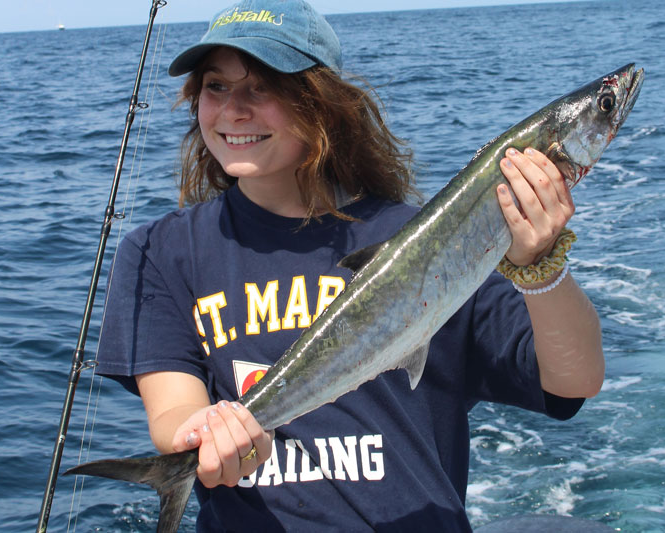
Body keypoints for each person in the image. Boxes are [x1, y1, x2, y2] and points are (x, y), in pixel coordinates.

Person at [96, 0, 605, 530]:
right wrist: (206, 435)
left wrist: (541, 268)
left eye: (262, 86)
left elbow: (574, 381)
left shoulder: (427, 243)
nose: (233, 109)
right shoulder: (161, 251)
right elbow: (173, 412)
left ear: (321, 104)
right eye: (215, 86)